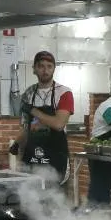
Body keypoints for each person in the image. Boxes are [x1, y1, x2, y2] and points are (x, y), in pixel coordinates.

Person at [17, 50, 74, 182]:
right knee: (30, 196)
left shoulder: (64, 93)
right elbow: (26, 127)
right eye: (41, 66)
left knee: (55, 198)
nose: (45, 70)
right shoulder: (28, 94)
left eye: (49, 66)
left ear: (54, 69)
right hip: (32, 155)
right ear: (34, 69)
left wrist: (33, 111)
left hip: (55, 155)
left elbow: (59, 124)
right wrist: (17, 145)